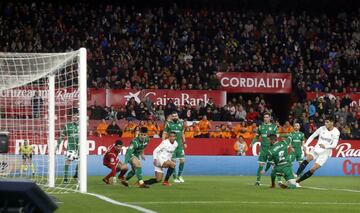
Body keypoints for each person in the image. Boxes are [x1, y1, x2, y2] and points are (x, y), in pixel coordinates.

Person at [296, 116, 340, 186]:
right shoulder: (322, 128)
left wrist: (326, 146)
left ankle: (297, 181)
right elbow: (312, 136)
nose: (325, 123)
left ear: (332, 123)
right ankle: (296, 175)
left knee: (313, 169)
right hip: (317, 149)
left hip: (325, 153)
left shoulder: (336, 132)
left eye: (327, 122)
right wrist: (306, 144)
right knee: (308, 158)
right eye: (325, 122)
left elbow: (334, 145)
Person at [250, 112, 279, 186]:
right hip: (263, 149)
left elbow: (277, 138)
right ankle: (258, 181)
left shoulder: (274, 127)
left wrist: (277, 147)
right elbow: (257, 136)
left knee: (274, 165)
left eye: (267, 117)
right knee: (261, 164)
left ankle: (279, 181)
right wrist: (253, 142)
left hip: (271, 149)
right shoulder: (260, 127)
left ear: (270, 118)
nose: (265, 118)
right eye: (264, 117)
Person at [162, 111, 187, 183]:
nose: (174, 117)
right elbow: (164, 133)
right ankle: (175, 177)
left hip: (179, 145)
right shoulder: (168, 124)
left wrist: (184, 142)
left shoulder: (181, 123)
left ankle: (179, 176)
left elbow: (182, 133)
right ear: (171, 117)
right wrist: (163, 142)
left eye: (176, 116)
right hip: (171, 146)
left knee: (182, 161)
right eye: (173, 116)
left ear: (177, 116)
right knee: (173, 162)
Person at [57, 114, 79, 184]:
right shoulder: (68, 125)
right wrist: (58, 143)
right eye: (73, 117)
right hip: (71, 146)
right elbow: (62, 135)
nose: (74, 119)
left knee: (80, 161)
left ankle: (76, 175)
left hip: (79, 146)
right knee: (68, 161)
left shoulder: (81, 125)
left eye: (76, 117)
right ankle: (65, 178)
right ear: (71, 118)